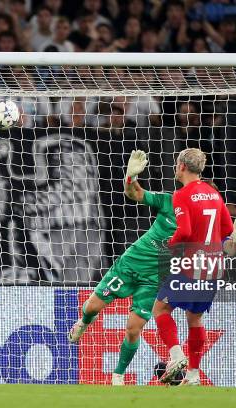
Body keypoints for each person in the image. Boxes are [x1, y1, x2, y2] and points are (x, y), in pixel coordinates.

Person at [67, 150, 174, 386]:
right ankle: (84, 322)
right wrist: (131, 177)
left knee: (134, 329)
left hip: (154, 277)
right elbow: (134, 193)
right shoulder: (170, 200)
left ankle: (118, 375)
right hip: (130, 263)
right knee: (92, 306)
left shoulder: (200, 221)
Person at [153, 148, 236, 385]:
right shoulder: (214, 194)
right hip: (213, 266)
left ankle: (176, 357)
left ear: (182, 167)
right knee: (195, 319)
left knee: (160, 310)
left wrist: (169, 243)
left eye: (177, 164)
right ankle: (193, 375)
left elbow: (185, 231)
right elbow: (228, 235)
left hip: (190, 264)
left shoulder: (182, 195)